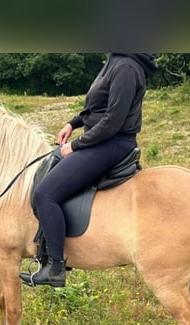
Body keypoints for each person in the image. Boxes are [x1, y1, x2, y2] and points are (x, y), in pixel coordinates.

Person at [19, 53, 158, 288]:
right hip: (103, 140)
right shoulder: (116, 59)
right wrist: (73, 123)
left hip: (111, 144)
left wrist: (76, 145)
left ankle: (55, 267)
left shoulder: (126, 67)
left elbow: (113, 121)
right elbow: (97, 105)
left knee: (45, 194)